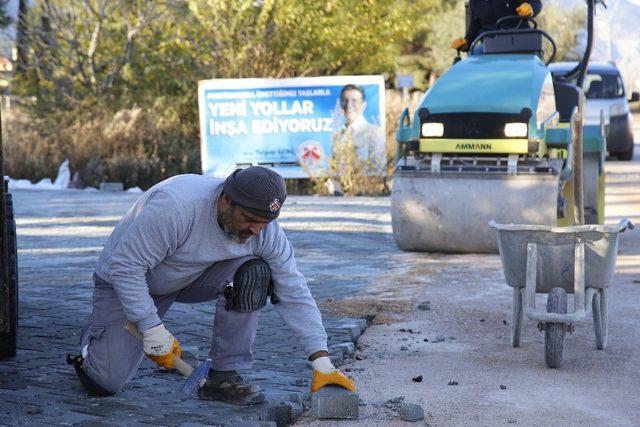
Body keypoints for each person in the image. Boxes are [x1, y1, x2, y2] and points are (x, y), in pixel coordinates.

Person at [67, 166, 355, 405]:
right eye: (250, 220)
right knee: (103, 383)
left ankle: (224, 375)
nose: (255, 231)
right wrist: (151, 327)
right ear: (226, 200)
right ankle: (96, 337)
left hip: (191, 277)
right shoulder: (177, 208)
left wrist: (321, 359)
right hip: (126, 280)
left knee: (254, 273)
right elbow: (125, 267)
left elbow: (293, 289)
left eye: (265, 223)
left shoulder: (264, 231)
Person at [451, 1, 543, 53]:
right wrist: (466, 42)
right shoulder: (475, 1)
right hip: (489, 46)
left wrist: (530, 8)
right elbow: (475, 25)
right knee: (475, 53)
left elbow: (536, 3)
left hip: (518, 42)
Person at [333, 84, 385, 173]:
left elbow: (378, 169)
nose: (349, 105)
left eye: (354, 101)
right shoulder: (338, 135)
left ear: (363, 105)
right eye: (345, 100)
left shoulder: (374, 132)